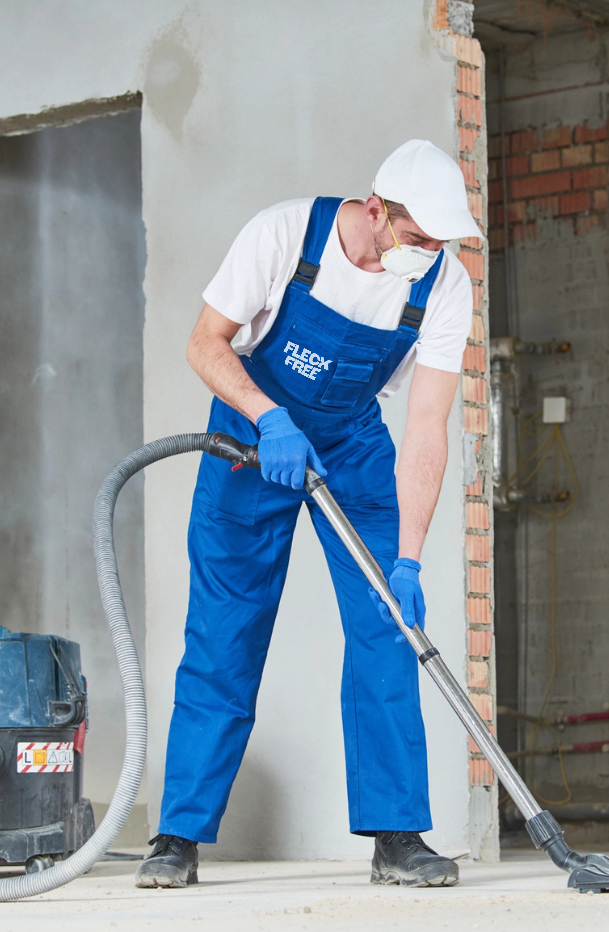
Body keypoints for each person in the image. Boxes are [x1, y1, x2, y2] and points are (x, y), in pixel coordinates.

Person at [135, 140, 482, 889]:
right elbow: (205, 343)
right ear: (374, 211)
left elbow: (425, 428)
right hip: (250, 435)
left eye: (438, 244)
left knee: (389, 624)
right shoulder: (284, 235)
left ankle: (397, 835)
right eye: (416, 239)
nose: (426, 256)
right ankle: (177, 835)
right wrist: (267, 415)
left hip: (354, 445)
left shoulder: (444, 287)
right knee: (224, 632)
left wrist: (411, 557)